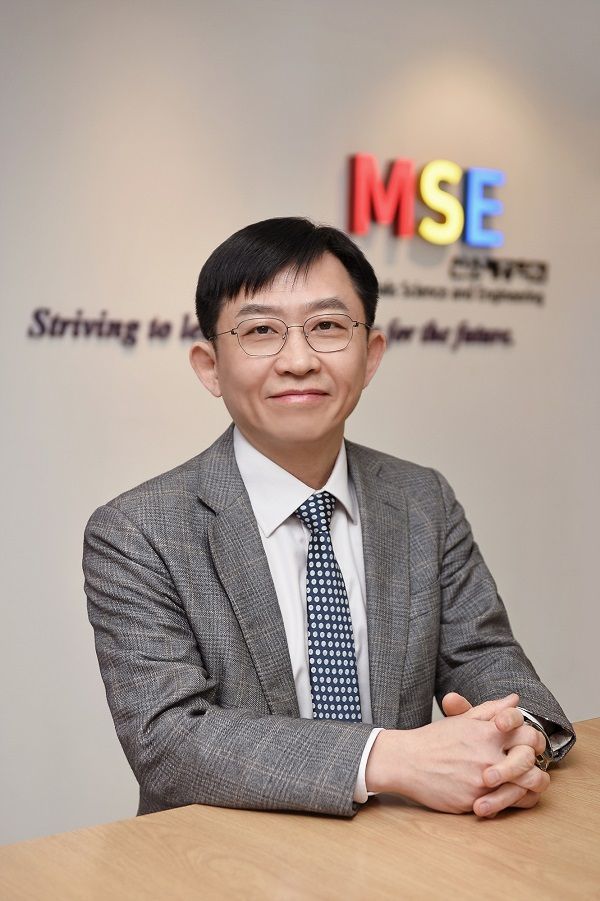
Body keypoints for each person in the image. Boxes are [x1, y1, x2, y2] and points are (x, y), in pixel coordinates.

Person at [83, 217, 574, 820]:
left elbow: (482, 655)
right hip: (222, 854)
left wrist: (520, 734)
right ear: (210, 366)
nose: (298, 360)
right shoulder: (137, 530)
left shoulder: (421, 499)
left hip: (404, 846)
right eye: (260, 331)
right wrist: (387, 758)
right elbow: (169, 741)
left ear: (370, 356)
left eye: (327, 327)